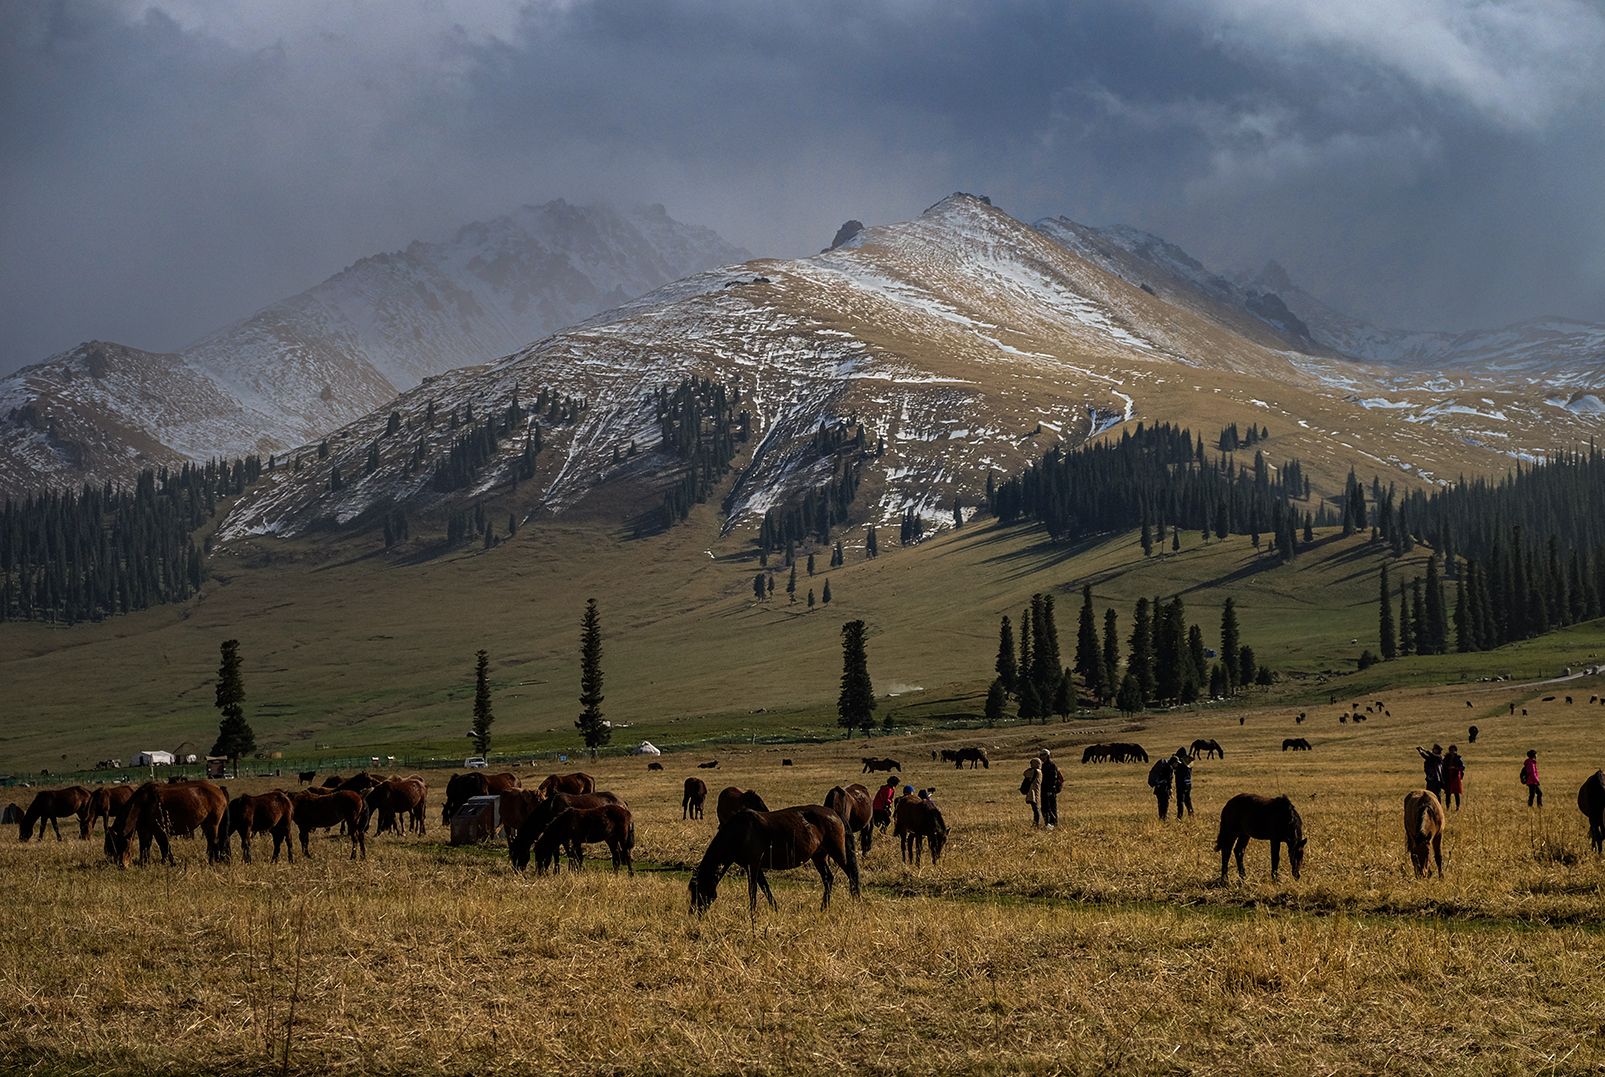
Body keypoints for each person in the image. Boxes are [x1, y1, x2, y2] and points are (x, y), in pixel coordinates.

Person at [1038, 749, 1062, 829]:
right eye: (1040, 755)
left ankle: (1053, 824)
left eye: (1043, 754)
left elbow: (1053, 779)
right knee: (1044, 808)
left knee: (1051, 808)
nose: (1041, 756)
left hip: (1050, 791)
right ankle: (1048, 824)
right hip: (1044, 790)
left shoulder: (1051, 765)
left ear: (1047, 755)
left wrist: (1050, 790)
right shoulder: (1043, 765)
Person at [1147, 755, 1173, 820]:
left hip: (1158, 788)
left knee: (1160, 803)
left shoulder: (1163, 766)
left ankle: (1161, 816)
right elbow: (1169, 780)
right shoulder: (1169, 768)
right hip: (1164, 789)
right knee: (1165, 803)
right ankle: (1164, 816)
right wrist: (1170, 789)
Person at [1171, 748, 1194, 819]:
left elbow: (1175, 769)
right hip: (1188, 783)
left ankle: (1179, 816)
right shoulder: (1189, 762)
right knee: (1187, 799)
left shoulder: (1180, 763)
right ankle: (1191, 813)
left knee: (1180, 801)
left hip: (1181, 783)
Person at [1020, 758, 1043, 827]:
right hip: (1036, 790)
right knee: (1036, 808)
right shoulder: (1040, 771)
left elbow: (1025, 773)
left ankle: (1036, 823)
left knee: (1035, 808)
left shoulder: (1035, 771)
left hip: (1032, 791)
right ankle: (1036, 823)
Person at [1442, 745, 1465, 810]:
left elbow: (1463, 767)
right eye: (1451, 750)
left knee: (1456, 793)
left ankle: (1457, 808)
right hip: (1447, 777)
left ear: (1455, 750)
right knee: (1448, 794)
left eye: (1453, 750)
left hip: (1455, 777)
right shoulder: (1446, 758)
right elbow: (1442, 767)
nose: (1452, 751)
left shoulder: (1458, 758)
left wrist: (1455, 768)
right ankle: (1448, 808)